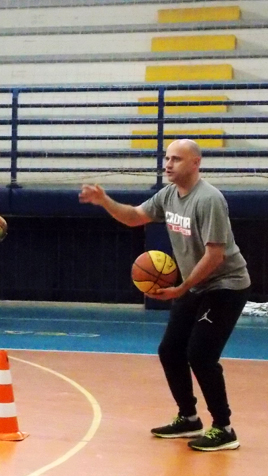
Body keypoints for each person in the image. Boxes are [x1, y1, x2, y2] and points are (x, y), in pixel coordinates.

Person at [79, 139, 250, 452]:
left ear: (195, 163)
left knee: (200, 354)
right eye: (167, 158)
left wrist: (182, 288)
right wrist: (104, 200)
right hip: (195, 284)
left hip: (225, 285)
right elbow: (133, 217)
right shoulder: (169, 194)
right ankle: (188, 417)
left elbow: (215, 256)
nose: (168, 164)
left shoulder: (208, 199)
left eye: (176, 159)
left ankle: (224, 428)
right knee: (170, 350)